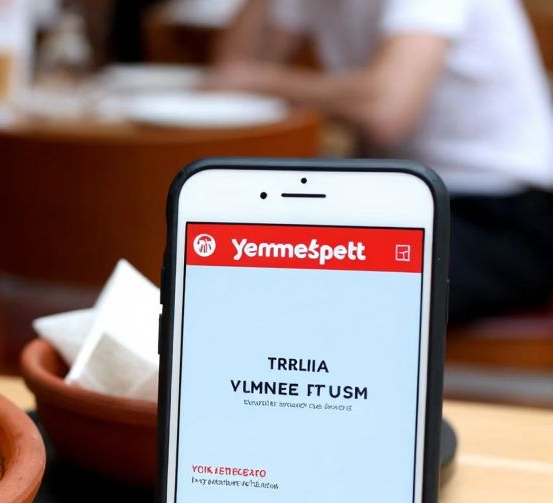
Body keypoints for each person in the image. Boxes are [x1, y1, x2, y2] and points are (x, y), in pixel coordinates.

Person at [208, 0, 553, 326]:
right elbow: (233, 69)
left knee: (314, 283)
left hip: (502, 210)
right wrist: (249, 77)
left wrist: (262, 82)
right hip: (400, 203)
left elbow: (386, 110)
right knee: (238, 252)